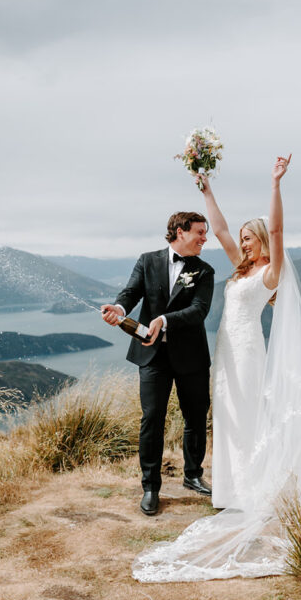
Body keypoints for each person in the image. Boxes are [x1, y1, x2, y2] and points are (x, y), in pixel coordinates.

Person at [132, 155, 301, 582]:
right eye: (242, 239)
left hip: (246, 355)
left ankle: (250, 491)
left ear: (263, 241)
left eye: (249, 239)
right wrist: (206, 191)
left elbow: (277, 230)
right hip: (224, 354)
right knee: (224, 418)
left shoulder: (271, 273)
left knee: (247, 419)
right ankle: (228, 490)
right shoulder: (241, 268)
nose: (242, 244)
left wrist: (276, 183)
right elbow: (219, 229)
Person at [100, 212, 216, 516]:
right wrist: (119, 308)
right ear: (180, 232)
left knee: (195, 416)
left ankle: (193, 475)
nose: (205, 238)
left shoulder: (205, 271)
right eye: (200, 233)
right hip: (152, 357)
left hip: (191, 356)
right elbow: (131, 293)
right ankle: (151, 487)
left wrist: (163, 321)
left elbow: (198, 311)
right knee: (152, 419)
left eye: (206, 233)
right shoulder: (147, 260)